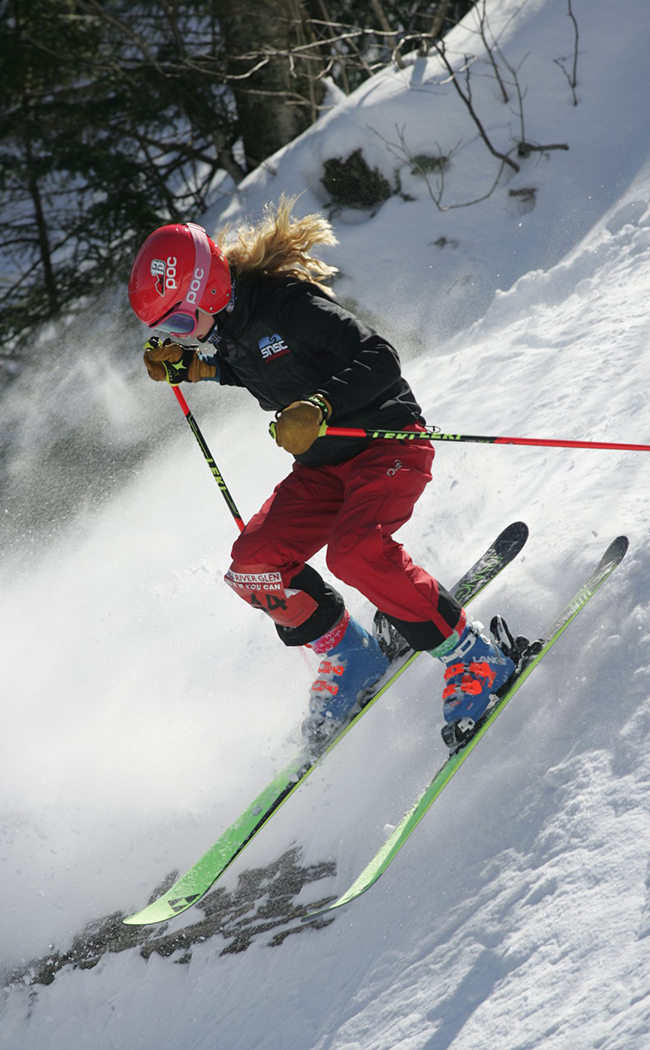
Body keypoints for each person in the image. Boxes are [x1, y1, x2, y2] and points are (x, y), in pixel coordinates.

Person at [128, 196, 515, 752]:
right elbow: (260, 365)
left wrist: (321, 407)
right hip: (323, 468)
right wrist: (197, 366)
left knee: (353, 552)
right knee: (253, 567)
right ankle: (350, 654)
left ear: (209, 289)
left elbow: (380, 357)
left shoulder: (288, 303)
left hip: (386, 443)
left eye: (184, 321)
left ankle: (475, 659)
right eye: (173, 330)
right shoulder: (229, 326)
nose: (188, 332)